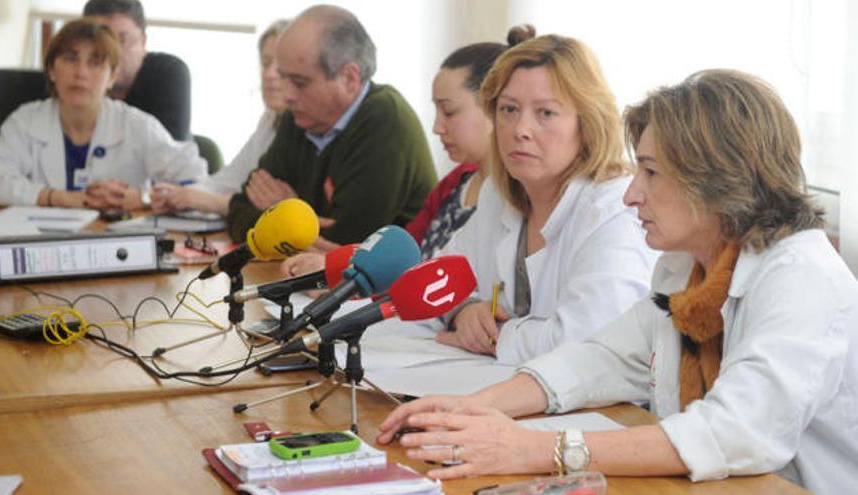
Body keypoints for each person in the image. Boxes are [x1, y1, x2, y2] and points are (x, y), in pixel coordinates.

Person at [377, 69, 858, 495]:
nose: (631, 194)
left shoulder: (801, 279)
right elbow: (604, 356)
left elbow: (735, 433)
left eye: (649, 172)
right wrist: (472, 410)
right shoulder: (684, 265)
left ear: (715, 178)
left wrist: (535, 449)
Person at [434, 31, 657, 364]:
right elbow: (439, 277)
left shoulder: (615, 209)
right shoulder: (501, 193)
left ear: (588, 124)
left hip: (605, 410)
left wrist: (498, 337)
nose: (520, 129)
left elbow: (591, 341)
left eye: (545, 113)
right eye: (508, 109)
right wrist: (464, 312)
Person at [280, 35, 510, 278]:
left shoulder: (514, 196)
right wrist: (339, 262)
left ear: (494, 107)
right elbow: (404, 259)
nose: (437, 127)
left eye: (449, 112)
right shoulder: (456, 183)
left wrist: (343, 272)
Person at [226, 4, 437, 249]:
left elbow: (345, 245)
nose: (287, 94)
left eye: (299, 82)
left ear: (349, 78)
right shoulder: (299, 117)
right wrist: (298, 222)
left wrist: (287, 215)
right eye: (284, 78)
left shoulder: (385, 120)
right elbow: (238, 212)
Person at [0, 19, 206, 210]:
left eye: (95, 62)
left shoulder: (137, 125)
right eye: (70, 59)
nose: (81, 73)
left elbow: (196, 182)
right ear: (51, 69)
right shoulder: (25, 120)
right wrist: (59, 197)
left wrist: (144, 197)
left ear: (113, 76)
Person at [150, 19, 290, 216]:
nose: (269, 74)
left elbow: (264, 207)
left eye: (282, 65)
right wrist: (180, 195)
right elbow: (229, 181)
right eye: (265, 63)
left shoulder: (310, 131)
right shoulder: (269, 120)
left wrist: (200, 199)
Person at [83, 0, 191, 140]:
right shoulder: (71, 78)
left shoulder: (168, 72)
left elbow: (169, 148)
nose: (110, 52)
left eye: (122, 40)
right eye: (99, 41)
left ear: (143, 41)